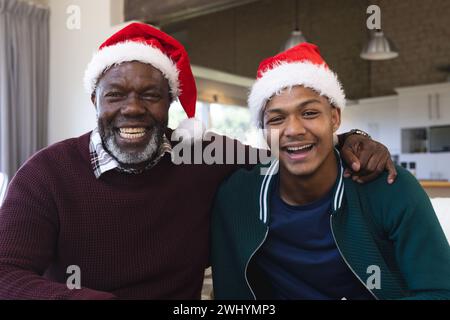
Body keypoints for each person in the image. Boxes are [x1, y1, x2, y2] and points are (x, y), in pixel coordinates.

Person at [0, 23, 395, 300]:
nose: (132, 109)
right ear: (95, 101)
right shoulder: (46, 175)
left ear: (169, 104)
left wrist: (350, 140)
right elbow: (5, 273)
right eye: (116, 94)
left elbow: (289, 152)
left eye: (150, 95)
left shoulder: (204, 155)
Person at [211, 43, 450, 300]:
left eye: (310, 113)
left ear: (334, 118)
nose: (293, 130)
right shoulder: (236, 196)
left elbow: (439, 291)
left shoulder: (389, 187)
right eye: (276, 119)